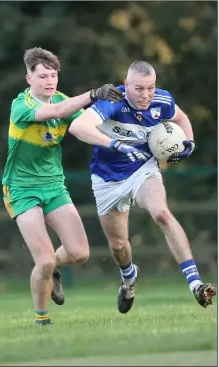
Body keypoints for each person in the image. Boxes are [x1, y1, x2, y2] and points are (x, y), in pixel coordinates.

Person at [68, 60, 216, 313]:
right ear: (126, 85)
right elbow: (77, 127)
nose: (146, 95)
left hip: (142, 169)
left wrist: (188, 142)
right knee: (118, 245)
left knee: (161, 213)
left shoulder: (162, 100)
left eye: (150, 87)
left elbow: (182, 118)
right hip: (106, 178)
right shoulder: (112, 100)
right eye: (138, 88)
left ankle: (196, 284)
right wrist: (115, 144)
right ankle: (128, 277)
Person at [2, 46, 125, 326]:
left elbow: (84, 126)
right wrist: (93, 94)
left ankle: (53, 271)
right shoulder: (21, 106)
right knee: (43, 259)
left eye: (53, 75)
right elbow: (55, 110)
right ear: (28, 79)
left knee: (80, 253)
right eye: (43, 76)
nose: (49, 81)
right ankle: (42, 320)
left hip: (54, 187)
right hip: (21, 189)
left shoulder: (64, 101)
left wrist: (120, 137)